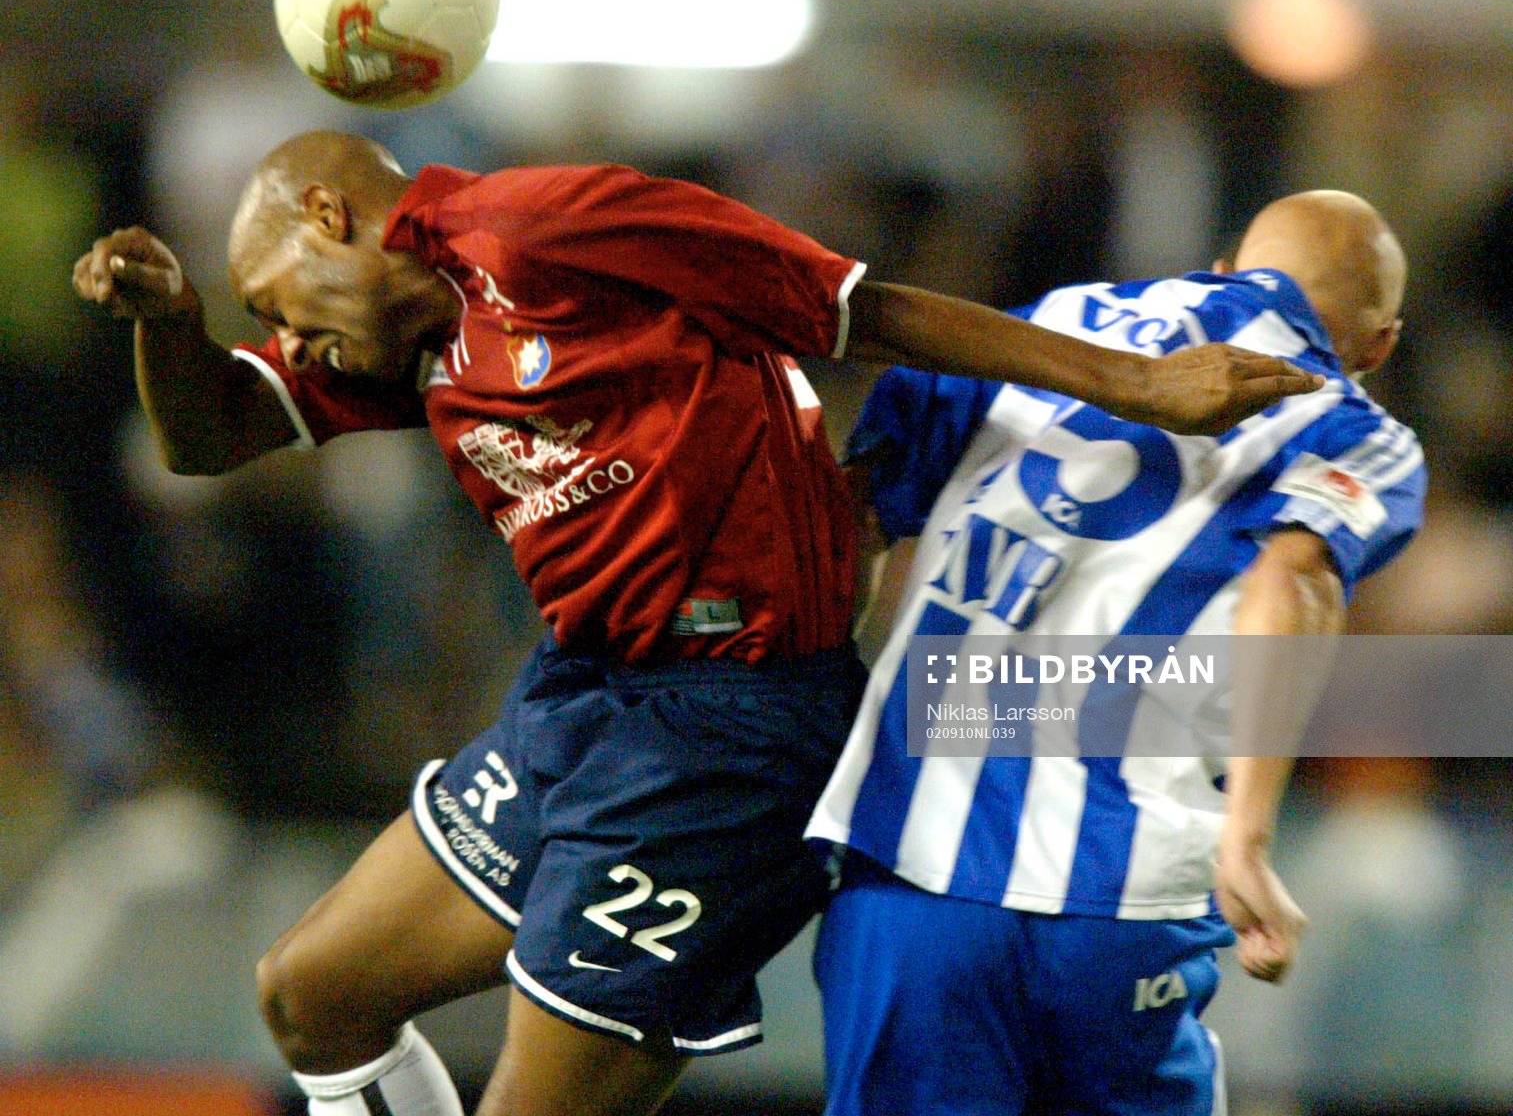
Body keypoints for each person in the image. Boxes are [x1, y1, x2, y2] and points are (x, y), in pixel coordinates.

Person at [71, 130, 1318, 1116]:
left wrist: (1142, 383)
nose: (282, 333)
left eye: (270, 295)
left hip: (735, 732)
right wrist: (171, 323)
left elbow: (858, 309)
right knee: (312, 993)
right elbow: (210, 434)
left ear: (332, 216)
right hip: (585, 697)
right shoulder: (404, 337)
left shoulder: (551, 225)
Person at [806, 189, 1426, 1116]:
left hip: (910, 861)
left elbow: (854, 512)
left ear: (1223, 267)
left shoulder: (1039, 329)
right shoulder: (1356, 429)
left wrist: (819, 715)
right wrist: (1248, 838)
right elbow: (1289, 582)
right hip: (1122, 889)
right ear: (1379, 344)